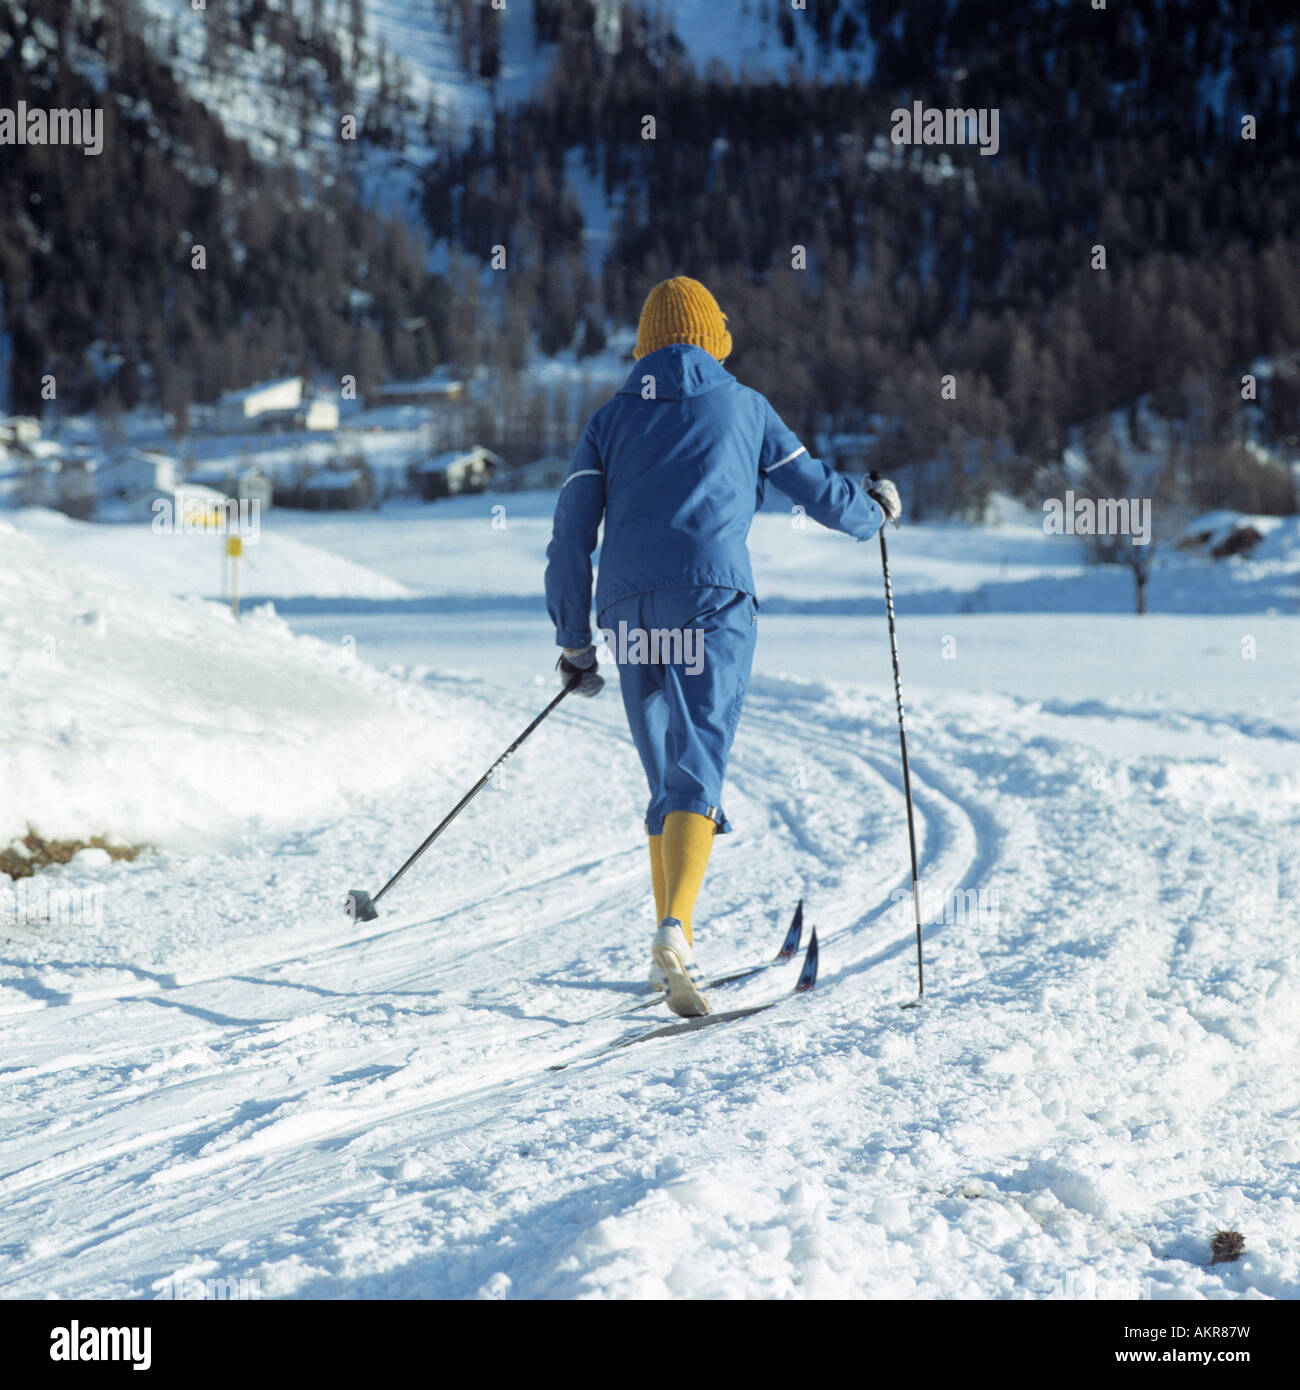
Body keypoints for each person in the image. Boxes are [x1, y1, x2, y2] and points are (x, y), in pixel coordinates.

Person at [544, 276, 900, 1017]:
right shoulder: (746, 408)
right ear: (715, 339)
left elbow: (570, 535)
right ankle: (674, 931)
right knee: (697, 769)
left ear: (645, 346)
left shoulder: (609, 420)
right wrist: (877, 513)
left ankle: (670, 939)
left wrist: (576, 643)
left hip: (630, 608)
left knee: (667, 776)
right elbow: (821, 493)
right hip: (711, 599)